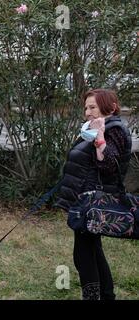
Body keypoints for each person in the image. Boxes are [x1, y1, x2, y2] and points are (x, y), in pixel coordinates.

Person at [56, 89, 132, 300]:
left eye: (92, 107)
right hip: (85, 201)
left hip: (95, 202)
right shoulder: (94, 129)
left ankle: (95, 296)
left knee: (84, 255)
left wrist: (99, 135)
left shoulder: (113, 129)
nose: (87, 112)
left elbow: (108, 164)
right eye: (86, 107)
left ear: (110, 107)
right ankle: (106, 296)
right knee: (92, 250)